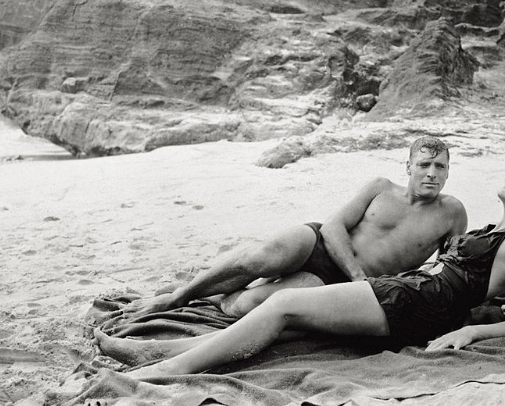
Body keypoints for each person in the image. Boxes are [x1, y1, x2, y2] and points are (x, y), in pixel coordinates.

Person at [94, 167, 505, 378]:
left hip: (416, 306)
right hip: (407, 294)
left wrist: (467, 333)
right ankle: (157, 351)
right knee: (286, 323)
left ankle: (167, 370)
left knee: (281, 306)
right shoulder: (492, 230)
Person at [122, 136, 468, 319]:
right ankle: (176, 296)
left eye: (440, 166)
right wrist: (360, 276)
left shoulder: (452, 213)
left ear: (448, 171)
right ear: (407, 166)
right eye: (424, 164)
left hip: (336, 282)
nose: (432, 173)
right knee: (261, 258)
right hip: (320, 245)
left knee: (248, 305)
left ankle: (211, 294)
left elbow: (452, 270)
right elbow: (333, 227)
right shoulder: (381, 187)